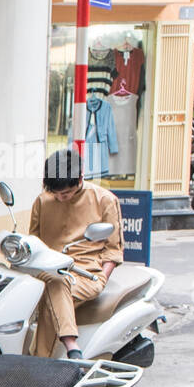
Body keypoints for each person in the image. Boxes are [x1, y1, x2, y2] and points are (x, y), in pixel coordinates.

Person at [30, 149, 125, 359]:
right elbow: (34, 242)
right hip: (48, 271)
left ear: (80, 178)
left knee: (56, 285)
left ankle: (67, 347)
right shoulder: (43, 201)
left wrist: (102, 277)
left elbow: (113, 249)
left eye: (65, 193)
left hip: (86, 274)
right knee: (52, 285)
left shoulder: (105, 200)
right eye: (55, 193)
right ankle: (51, 362)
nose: (59, 198)